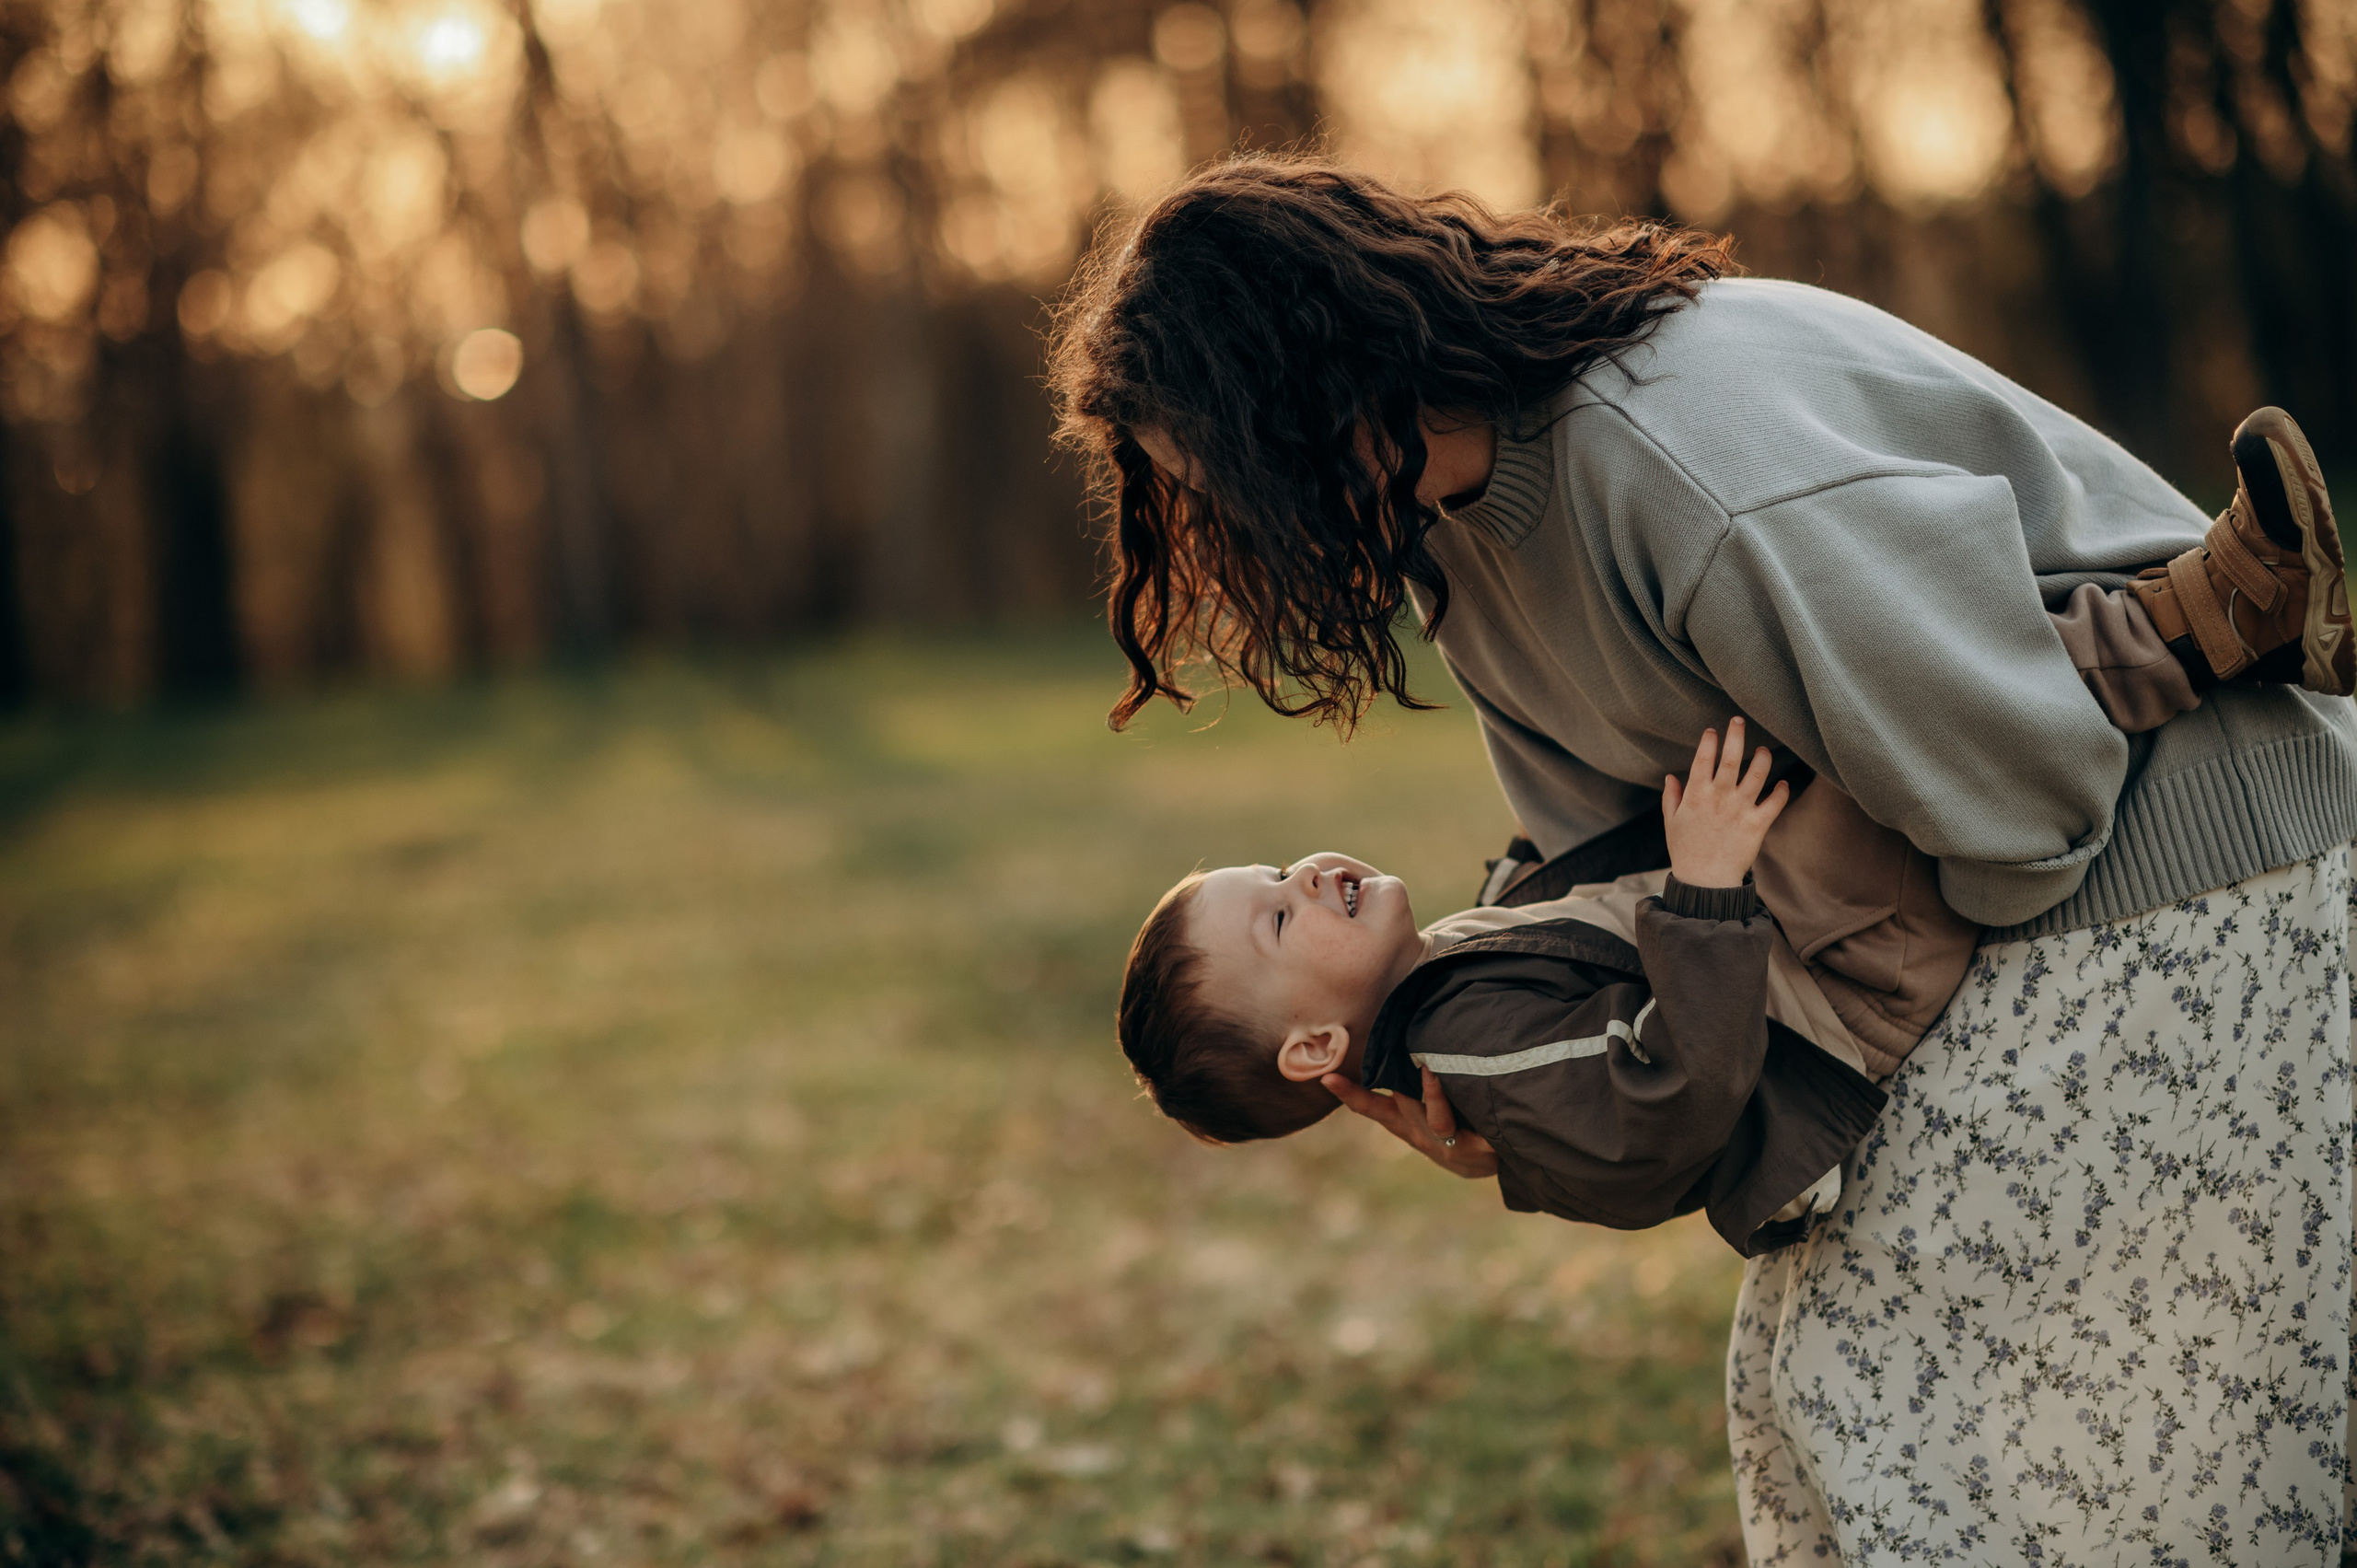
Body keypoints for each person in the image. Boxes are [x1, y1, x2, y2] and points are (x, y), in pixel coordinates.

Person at [1051, 157, 2357, 1562]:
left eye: (1226, 481)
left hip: (2173, 864)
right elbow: (1594, 849)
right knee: (1810, 1381)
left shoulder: (1675, 463)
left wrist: (1784, 940)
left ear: (1302, 399)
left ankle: (2222, 611)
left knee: (1904, 1384)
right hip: (1952, 880)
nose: (1235, 530)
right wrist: (1500, 1074)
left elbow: (2018, 798)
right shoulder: (1452, 535)